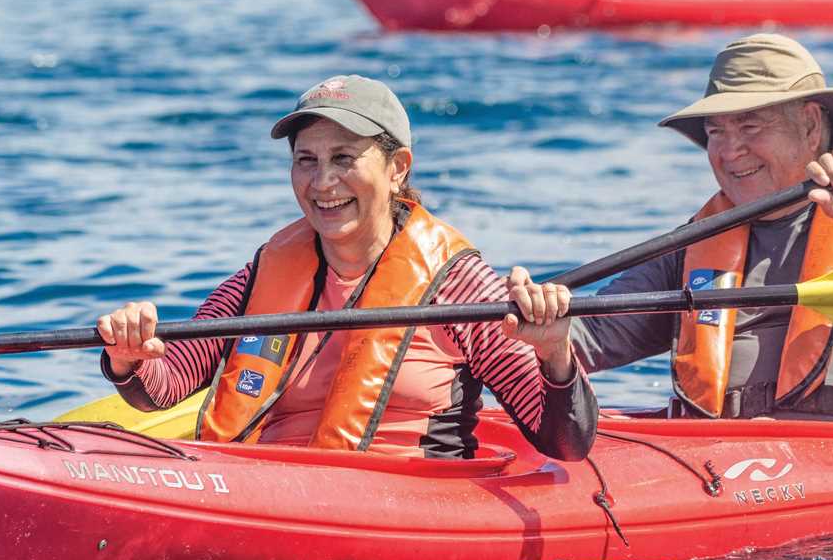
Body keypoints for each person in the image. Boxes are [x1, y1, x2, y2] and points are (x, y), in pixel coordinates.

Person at [95, 75, 599, 460]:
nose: (322, 182)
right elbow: (167, 385)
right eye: (306, 160)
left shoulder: (460, 286)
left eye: (343, 158)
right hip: (269, 492)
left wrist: (554, 351)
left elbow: (565, 441)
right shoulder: (262, 274)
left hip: (404, 523)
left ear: (397, 168)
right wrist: (129, 356)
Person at [505, 34, 833, 422]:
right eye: (716, 131)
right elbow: (592, 337)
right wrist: (552, 335)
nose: (730, 150)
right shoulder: (696, 242)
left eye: (750, 124)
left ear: (811, 126)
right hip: (722, 463)